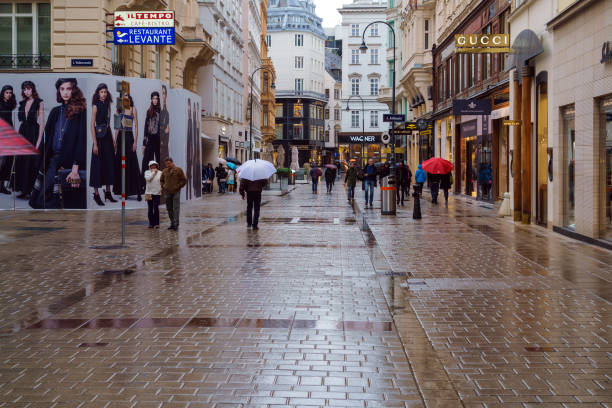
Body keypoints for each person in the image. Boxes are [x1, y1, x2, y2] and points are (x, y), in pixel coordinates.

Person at [29, 78, 86, 209]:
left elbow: (80, 141)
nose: (65, 92)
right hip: (53, 159)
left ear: (74, 90)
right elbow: (47, 137)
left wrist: (75, 167)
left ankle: (57, 225)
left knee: (60, 201)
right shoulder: (55, 111)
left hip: (70, 161)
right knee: (40, 199)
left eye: (68, 88)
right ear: (59, 91)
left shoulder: (81, 112)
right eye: (62, 89)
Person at [15, 81, 45, 199]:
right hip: (22, 132)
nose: (26, 91)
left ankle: (31, 190)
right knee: (21, 160)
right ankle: (23, 189)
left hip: (33, 132)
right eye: (24, 89)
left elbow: (42, 123)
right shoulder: (22, 103)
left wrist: (38, 142)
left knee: (30, 161)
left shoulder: (39, 102)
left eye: (28, 88)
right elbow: (21, 121)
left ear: (33, 89)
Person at [89, 83, 116, 206]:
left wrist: (113, 140)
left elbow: (109, 124)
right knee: (97, 165)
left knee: (109, 164)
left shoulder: (108, 105)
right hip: (99, 139)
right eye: (101, 92)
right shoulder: (95, 106)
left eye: (105, 92)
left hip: (108, 138)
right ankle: (96, 194)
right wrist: (95, 143)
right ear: (98, 93)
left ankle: (108, 193)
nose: (104, 94)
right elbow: (92, 125)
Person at [112, 95, 142, 200]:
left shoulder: (133, 109)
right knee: (121, 164)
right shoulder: (119, 110)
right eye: (123, 97)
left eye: (126, 96)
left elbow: (136, 126)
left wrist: (135, 142)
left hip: (129, 138)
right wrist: (115, 141)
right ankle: (122, 191)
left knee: (132, 163)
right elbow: (117, 128)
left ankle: (138, 191)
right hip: (120, 138)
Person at [141, 91, 161, 193]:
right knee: (146, 162)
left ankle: (156, 185)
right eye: (153, 98)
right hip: (150, 139)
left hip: (157, 139)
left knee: (157, 162)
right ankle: (144, 185)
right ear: (151, 99)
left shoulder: (161, 112)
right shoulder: (149, 111)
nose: (155, 100)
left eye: (156, 98)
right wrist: (144, 144)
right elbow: (145, 128)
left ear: (158, 100)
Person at [160, 157, 186, 230]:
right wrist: (163, 186)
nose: (167, 165)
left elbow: (183, 180)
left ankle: (176, 224)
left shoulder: (178, 170)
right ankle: (172, 223)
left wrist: (177, 186)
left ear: (172, 162)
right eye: (166, 164)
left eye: (168, 163)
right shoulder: (164, 171)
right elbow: (161, 180)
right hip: (167, 192)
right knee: (169, 208)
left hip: (176, 191)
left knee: (176, 208)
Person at [0, 85, 16, 195]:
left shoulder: (10, 104)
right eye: (7, 92)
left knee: (7, 161)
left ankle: (1, 186)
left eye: (10, 92)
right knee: (2, 160)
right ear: (3, 93)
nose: (9, 94)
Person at [144, 160, 162, 228]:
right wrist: (153, 172)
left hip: (157, 193)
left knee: (156, 208)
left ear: (156, 166)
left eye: (154, 165)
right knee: (150, 209)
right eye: (152, 165)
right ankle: (151, 223)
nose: (153, 166)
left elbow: (162, 181)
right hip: (148, 193)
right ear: (150, 166)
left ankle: (156, 223)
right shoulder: (147, 172)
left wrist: (161, 188)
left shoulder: (160, 173)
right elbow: (148, 179)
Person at [159, 85, 170, 168]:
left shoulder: (166, 112)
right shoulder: (159, 112)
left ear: (165, 95)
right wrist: (164, 131)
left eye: (164, 93)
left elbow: (167, 132)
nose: (163, 96)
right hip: (159, 147)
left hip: (165, 149)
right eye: (162, 93)